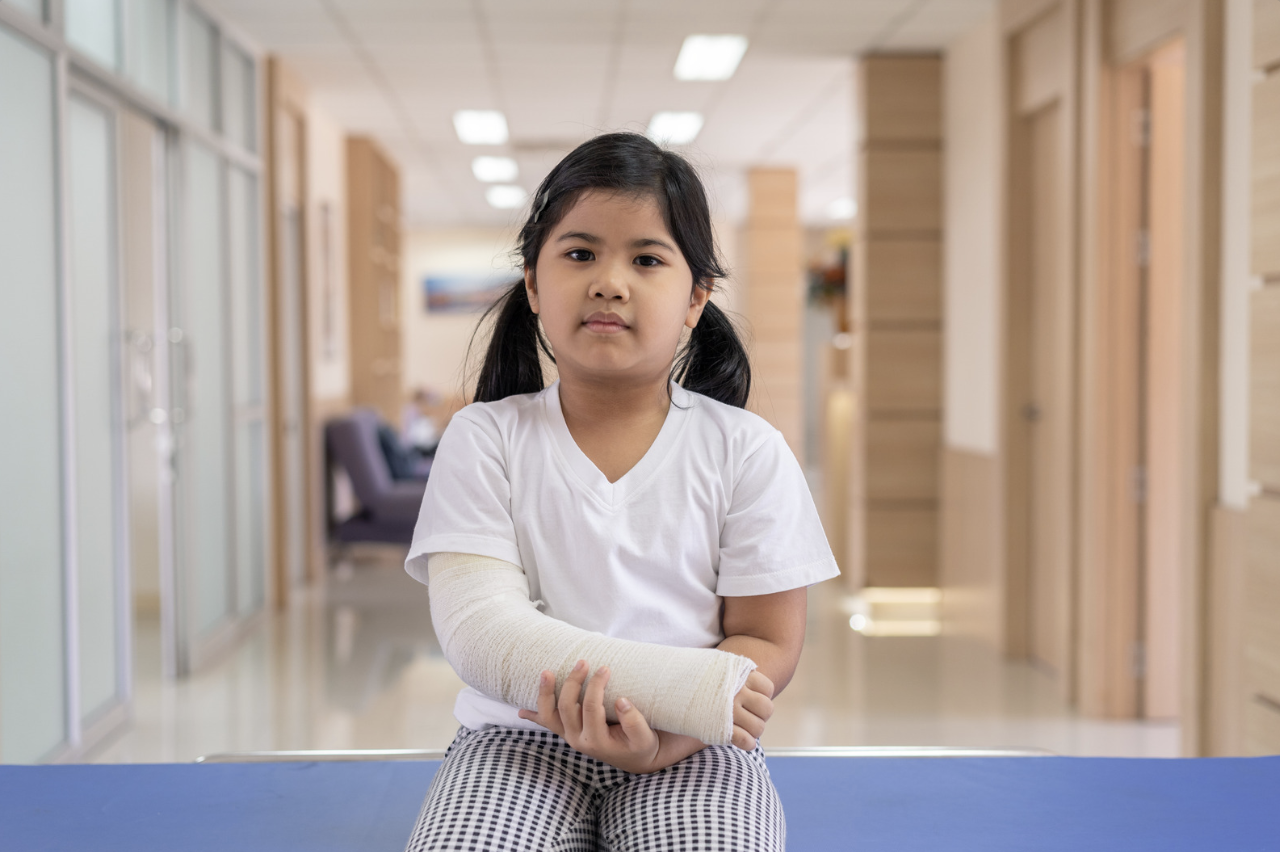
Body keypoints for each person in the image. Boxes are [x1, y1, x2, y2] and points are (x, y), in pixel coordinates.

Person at [403, 132, 838, 851]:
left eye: (646, 259)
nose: (610, 280)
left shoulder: (746, 449)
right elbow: (482, 636)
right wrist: (681, 686)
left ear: (697, 297)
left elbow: (764, 638)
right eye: (579, 254)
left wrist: (671, 732)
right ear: (534, 287)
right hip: (518, 741)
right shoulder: (484, 438)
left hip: (695, 745)